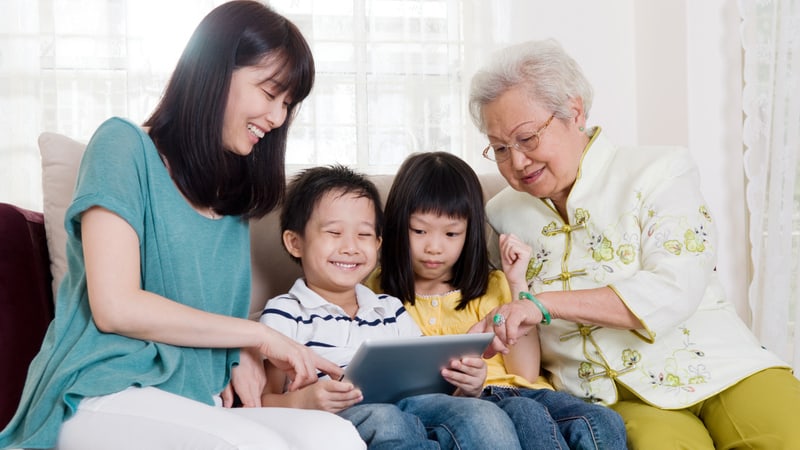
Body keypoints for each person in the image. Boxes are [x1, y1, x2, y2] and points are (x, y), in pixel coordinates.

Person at [0, 2, 366, 449]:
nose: (277, 118)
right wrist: (257, 336)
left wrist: (239, 355)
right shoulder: (122, 145)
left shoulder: (232, 196)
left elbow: (213, 320)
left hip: (193, 401)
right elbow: (116, 306)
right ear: (214, 71)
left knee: (336, 438)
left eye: (288, 104)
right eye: (270, 93)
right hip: (96, 391)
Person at [466, 38, 800, 449]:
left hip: (723, 368)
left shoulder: (660, 170)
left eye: (527, 138)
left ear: (574, 111)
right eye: (500, 148)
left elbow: (674, 287)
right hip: (611, 397)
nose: (516, 162)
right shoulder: (499, 214)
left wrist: (543, 304)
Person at [366, 151, 627, 450]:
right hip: (477, 402)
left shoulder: (492, 284)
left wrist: (517, 282)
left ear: (470, 232)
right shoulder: (379, 293)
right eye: (419, 231)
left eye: (452, 233)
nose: (434, 247)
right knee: (526, 414)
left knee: (602, 420)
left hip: (528, 393)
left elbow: (525, 373)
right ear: (398, 225)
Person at [259, 164, 524, 450]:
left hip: (410, 407)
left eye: (363, 235)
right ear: (295, 243)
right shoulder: (285, 313)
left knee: (484, 414)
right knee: (388, 420)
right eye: (334, 233)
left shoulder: (389, 308)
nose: (351, 247)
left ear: (378, 243)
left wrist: (467, 387)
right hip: (342, 414)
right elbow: (263, 398)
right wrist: (304, 401)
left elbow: (433, 388)